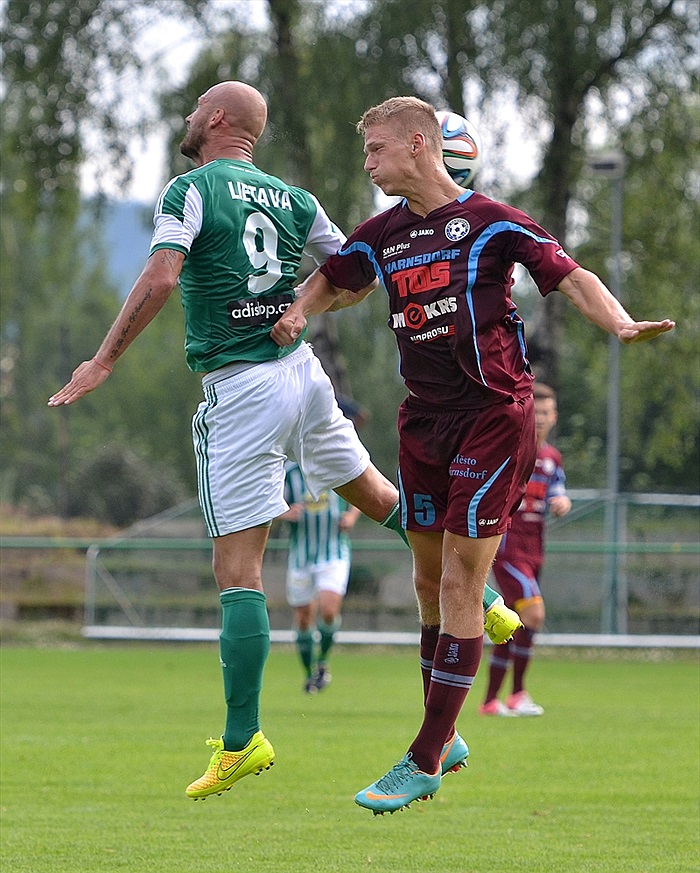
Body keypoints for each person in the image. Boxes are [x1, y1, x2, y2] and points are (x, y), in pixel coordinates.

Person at [47, 82, 517, 803]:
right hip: (302, 373)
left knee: (238, 566)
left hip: (239, 384)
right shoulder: (297, 199)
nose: (186, 118)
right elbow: (352, 274)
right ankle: (481, 592)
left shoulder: (191, 188)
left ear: (218, 121)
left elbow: (164, 271)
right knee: (370, 486)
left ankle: (242, 741)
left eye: (194, 109)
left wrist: (104, 358)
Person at [271, 95, 675, 814]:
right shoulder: (385, 233)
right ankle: (445, 733)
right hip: (422, 422)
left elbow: (570, 273)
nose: (367, 164)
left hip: (493, 417)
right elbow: (338, 278)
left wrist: (618, 323)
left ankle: (425, 753)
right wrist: (302, 307)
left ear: (419, 143)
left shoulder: (491, 223)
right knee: (429, 582)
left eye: (376, 151)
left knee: (461, 577)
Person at [480, 382, 571, 717]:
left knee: (516, 622)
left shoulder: (551, 458)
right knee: (534, 614)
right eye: (538, 412)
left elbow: (556, 490)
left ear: (555, 417)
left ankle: (492, 701)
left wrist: (561, 501)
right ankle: (516, 694)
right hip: (507, 549)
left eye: (548, 412)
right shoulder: (511, 449)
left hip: (535, 550)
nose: (542, 418)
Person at [278, 459, 361, 693]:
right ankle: (309, 673)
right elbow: (267, 505)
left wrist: (351, 518)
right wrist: (284, 513)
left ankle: (322, 660)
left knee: (328, 609)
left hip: (333, 553)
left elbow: (362, 492)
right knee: (304, 618)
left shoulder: (336, 463)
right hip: (301, 556)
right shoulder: (288, 474)